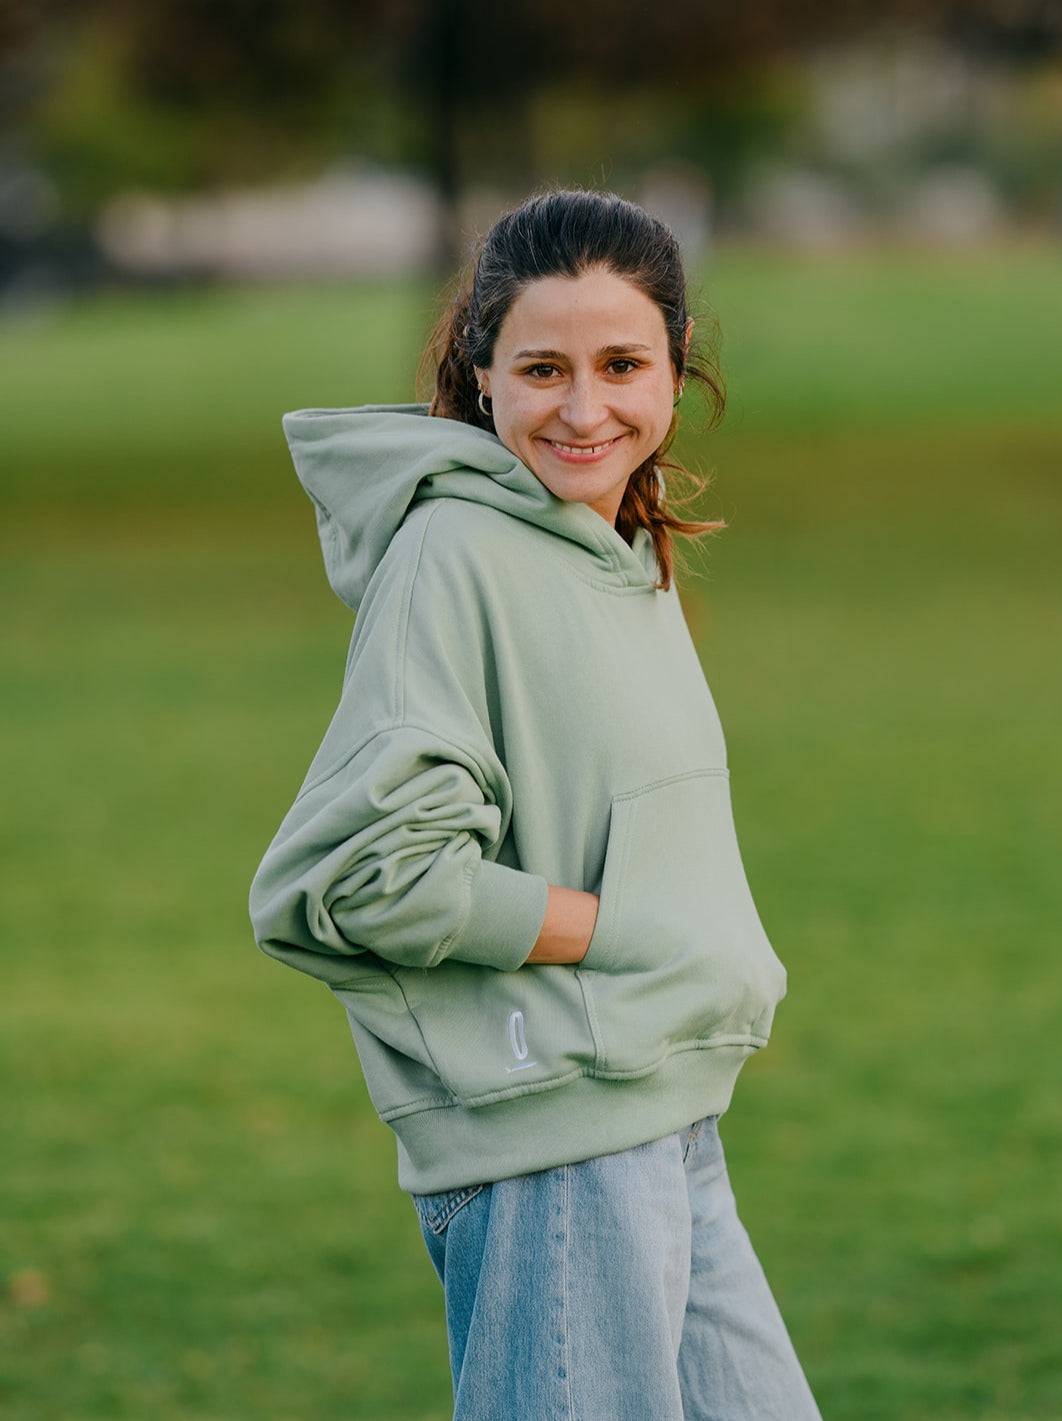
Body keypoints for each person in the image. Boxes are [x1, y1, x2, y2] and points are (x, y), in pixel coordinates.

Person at [249, 188, 822, 1420]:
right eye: (542, 368)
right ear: (482, 374)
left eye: (620, 363)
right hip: (554, 1149)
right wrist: (609, 933)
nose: (582, 407)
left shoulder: (613, 544)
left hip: (660, 1115)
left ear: (677, 370)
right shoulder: (455, 556)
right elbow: (369, 874)